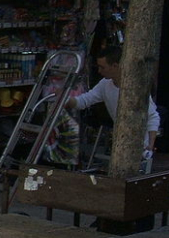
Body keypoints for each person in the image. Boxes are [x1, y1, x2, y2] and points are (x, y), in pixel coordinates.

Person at [67, 45, 161, 174]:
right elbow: (84, 101)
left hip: (140, 143)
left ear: (115, 66)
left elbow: (153, 116)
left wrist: (150, 144)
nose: (99, 71)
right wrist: (64, 99)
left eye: (102, 67)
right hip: (121, 139)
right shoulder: (105, 84)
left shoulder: (135, 87)